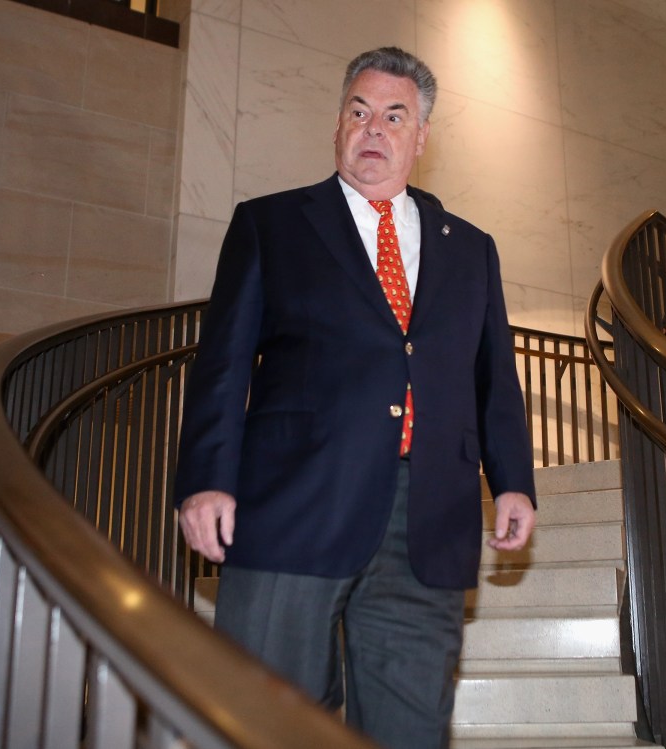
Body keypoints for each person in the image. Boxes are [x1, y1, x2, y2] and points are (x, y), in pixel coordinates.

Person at [173, 47, 537, 749]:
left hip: (429, 517)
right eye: (359, 111)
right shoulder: (270, 224)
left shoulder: (472, 249)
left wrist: (514, 481)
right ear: (339, 124)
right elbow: (220, 365)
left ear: (421, 136)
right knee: (265, 718)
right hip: (293, 506)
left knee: (409, 723)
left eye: (394, 116)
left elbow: (494, 379)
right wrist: (205, 480)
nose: (373, 128)